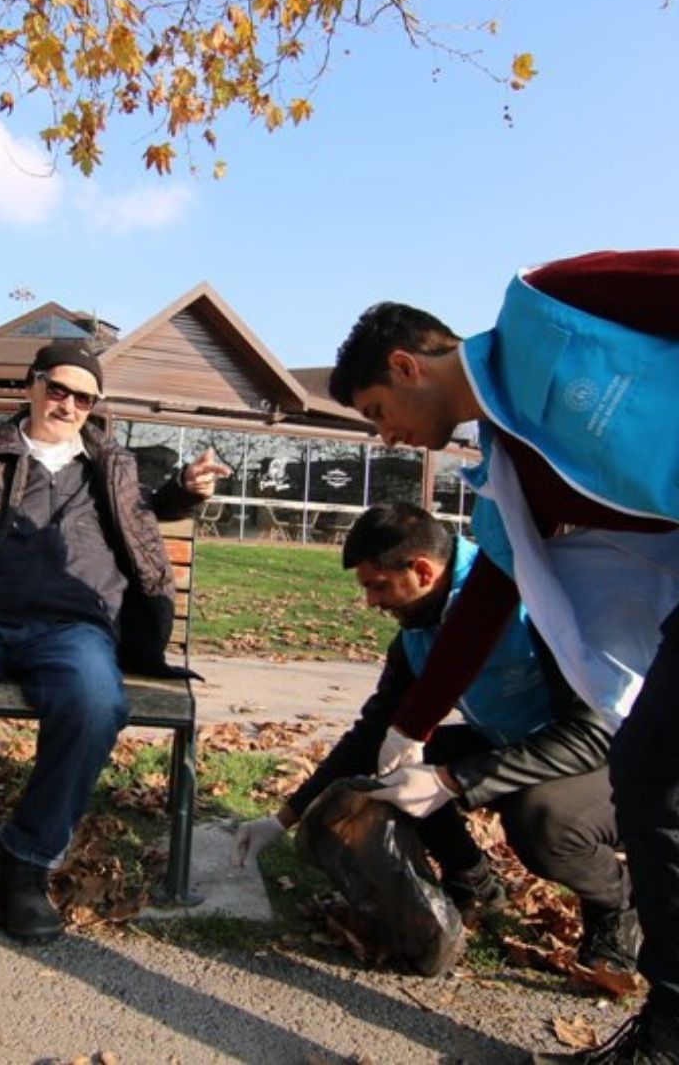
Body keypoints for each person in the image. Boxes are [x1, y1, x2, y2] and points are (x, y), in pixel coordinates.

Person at [328, 251, 679, 1062]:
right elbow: (490, 589)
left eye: (377, 409)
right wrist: (410, 732)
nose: (384, 434)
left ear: (406, 365)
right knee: (655, 776)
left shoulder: (551, 306)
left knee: (653, 775)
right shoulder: (508, 469)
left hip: (583, 726)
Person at [0, 338, 231, 944]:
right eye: (57, 389)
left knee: (97, 705)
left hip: (74, 629)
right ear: (31, 385)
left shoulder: (111, 464)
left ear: (95, 406)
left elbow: (141, 510)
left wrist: (187, 490)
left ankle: (27, 860)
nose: (67, 405)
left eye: (83, 397)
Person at [233, 503, 636, 970]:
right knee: (394, 772)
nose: (371, 603)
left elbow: (591, 733)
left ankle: (619, 904)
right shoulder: (416, 635)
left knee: (542, 817)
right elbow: (371, 735)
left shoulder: (529, 605)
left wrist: (451, 780)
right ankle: (476, 886)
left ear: (422, 570)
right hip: (512, 742)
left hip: (615, 759)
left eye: (377, 586)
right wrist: (282, 819)